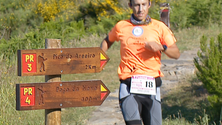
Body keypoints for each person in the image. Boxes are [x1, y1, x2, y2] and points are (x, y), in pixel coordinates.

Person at [100, 0, 180, 124]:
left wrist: (161, 47)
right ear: (130, 5)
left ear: (149, 5)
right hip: (129, 85)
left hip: (152, 87)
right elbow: (107, 41)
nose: (140, 9)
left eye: (143, 5)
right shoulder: (121, 26)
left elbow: (176, 54)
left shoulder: (159, 27)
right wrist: (99, 59)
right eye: (137, 5)